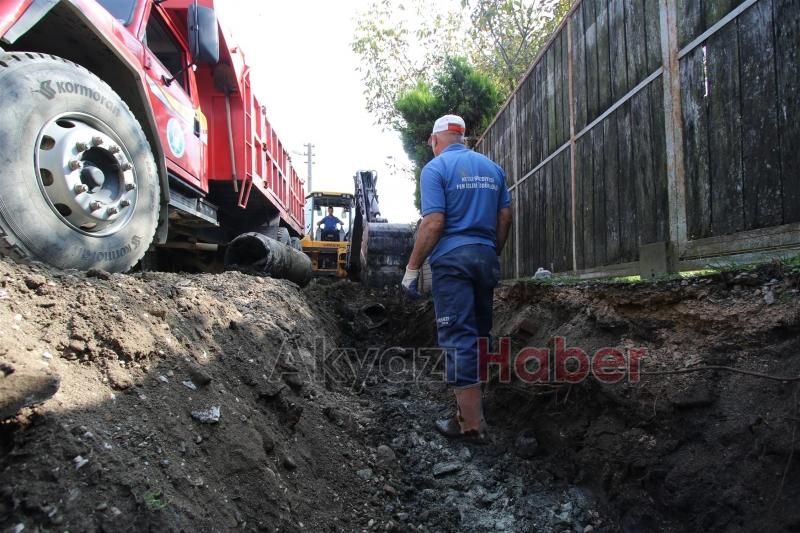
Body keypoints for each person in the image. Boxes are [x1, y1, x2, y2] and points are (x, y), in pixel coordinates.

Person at [402, 114, 512, 440]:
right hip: (484, 256)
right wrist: (492, 252)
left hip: (453, 263)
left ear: (435, 140)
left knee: (458, 338)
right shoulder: (493, 168)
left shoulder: (435, 169)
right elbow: (505, 216)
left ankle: (472, 425)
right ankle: (472, 409)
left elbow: (433, 223)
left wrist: (411, 270)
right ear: (461, 137)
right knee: (479, 334)